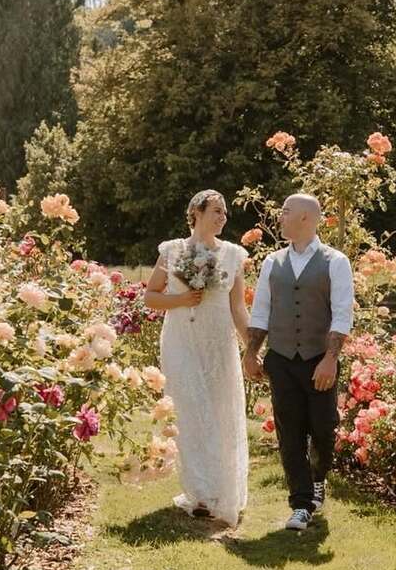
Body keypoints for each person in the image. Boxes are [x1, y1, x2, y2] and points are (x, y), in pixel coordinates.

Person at [242, 193, 354, 530]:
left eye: (286, 211)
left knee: (323, 429)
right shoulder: (272, 263)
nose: (280, 216)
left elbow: (342, 313)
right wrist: (250, 353)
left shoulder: (335, 261)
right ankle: (301, 504)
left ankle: (318, 477)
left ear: (306, 217)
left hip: (319, 359)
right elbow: (261, 310)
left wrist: (330, 359)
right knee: (289, 434)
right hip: (282, 359)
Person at [144, 190, 250, 526]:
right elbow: (150, 297)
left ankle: (221, 489)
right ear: (197, 212)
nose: (223, 218)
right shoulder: (171, 251)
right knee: (190, 410)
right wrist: (183, 299)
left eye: (225, 213)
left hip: (218, 342)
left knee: (220, 411)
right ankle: (201, 494)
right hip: (181, 340)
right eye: (217, 211)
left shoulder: (233, 255)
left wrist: (253, 347)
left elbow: (238, 308)